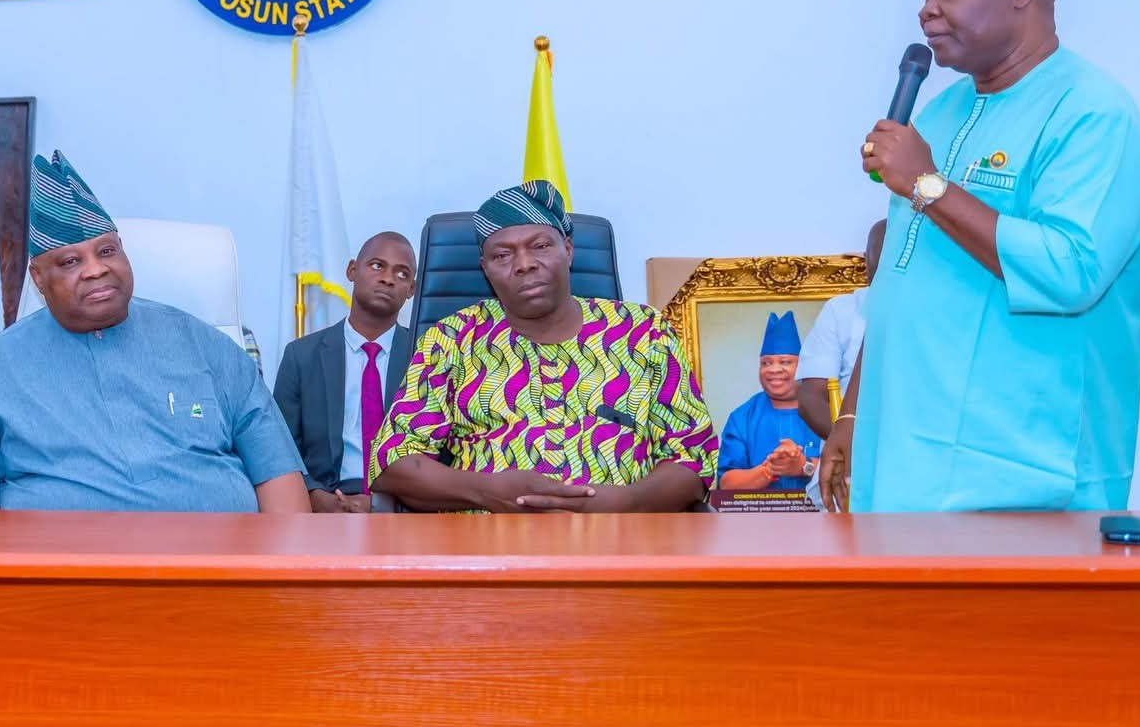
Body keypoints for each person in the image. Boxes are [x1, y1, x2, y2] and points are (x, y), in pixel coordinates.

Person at [821, 0, 1140, 513]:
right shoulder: (939, 113)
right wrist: (853, 413)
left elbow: (1070, 269)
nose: (926, 9)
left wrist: (927, 183)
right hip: (902, 470)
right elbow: (902, 283)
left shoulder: (1093, 114)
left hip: (1023, 485)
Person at [0, 150, 308, 512]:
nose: (96, 270)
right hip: (61, 561)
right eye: (70, 261)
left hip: (220, 558)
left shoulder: (213, 350)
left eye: (106, 251)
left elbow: (281, 486)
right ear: (38, 279)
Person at [370, 181, 716, 512]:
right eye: (503, 255)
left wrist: (628, 503)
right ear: (485, 269)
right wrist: (487, 492)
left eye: (540, 246)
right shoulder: (451, 339)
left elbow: (693, 457)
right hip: (486, 545)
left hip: (623, 543)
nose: (524, 264)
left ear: (568, 250)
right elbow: (392, 461)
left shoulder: (644, 331)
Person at [272, 231, 418, 512]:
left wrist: (384, 505)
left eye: (402, 274)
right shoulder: (301, 356)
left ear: (412, 289)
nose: (388, 279)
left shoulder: (427, 356)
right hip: (324, 503)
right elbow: (280, 448)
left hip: (405, 510)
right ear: (352, 270)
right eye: (377, 266)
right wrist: (316, 499)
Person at [796, 221, 886, 438]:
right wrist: (851, 446)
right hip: (849, 450)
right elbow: (811, 397)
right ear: (866, 261)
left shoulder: (941, 312)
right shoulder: (842, 310)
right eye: (880, 257)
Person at [716, 312, 821, 492]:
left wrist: (804, 466)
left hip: (820, 510)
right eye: (766, 363)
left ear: (802, 366)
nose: (773, 369)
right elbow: (726, 484)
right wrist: (769, 470)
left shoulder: (826, 410)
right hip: (757, 511)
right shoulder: (742, 417)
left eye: (785, 362)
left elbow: (851, 472)